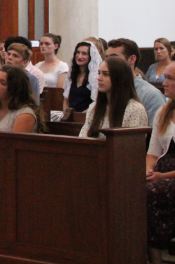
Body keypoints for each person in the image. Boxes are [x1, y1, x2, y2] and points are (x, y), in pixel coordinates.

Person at [146, 62, 175, 264]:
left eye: (170, 79)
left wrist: (161, 176)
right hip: (160, 174)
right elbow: (153, 152)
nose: (164, 83)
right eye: (165, 77)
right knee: (132, 189)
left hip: (169, 177)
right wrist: (148, 170)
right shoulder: (163, 112)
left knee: (151, 191)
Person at [79, 56, 149, 138]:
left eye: (105, 74)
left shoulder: (134, 109)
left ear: (119, 78)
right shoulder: (94, 108)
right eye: (99, 73)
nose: (99, 78)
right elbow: (83, 139)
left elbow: (132, 145)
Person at [104, 38, 165, 124]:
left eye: (114, 57)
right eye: (107, 58)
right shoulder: (106, 89)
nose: (108, 63)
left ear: (132, 59)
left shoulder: (151, 95)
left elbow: (157, 131)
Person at [0, 40, 41, 105]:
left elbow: (34, 105)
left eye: (15, 56)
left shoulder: (31, 79)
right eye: (8, 54)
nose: (9, 57)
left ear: (24, 62)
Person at [63, 42, 95, 113]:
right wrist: (67, 114)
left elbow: (96, 103)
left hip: (87, 116)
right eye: (77, 52)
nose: (79, 56)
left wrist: (80, 116)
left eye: (84, 53)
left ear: (91, 56)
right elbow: (66, 99)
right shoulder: (71, 75)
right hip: (70, 116)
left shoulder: (95, 77)